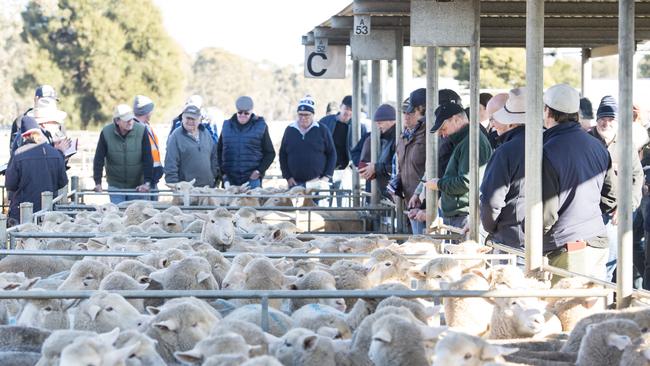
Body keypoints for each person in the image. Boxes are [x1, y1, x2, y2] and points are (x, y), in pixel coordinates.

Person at [541, 84, 616, 281]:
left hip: (568, 247)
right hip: (597, 242)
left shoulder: (546, 150)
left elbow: (546, 213)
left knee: (564, 309)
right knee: (594, 308)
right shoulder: (598, 146)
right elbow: (611, 197)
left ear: (548, 111)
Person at [588, 95, 644, 282]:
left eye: (611, 119)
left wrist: (628, 206)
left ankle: (603, 303)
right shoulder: (585, 141)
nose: (606, 122)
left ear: (618, 121)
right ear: (596, 120)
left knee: (609, 265)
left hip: (614, 215)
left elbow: (637, 177)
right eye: (602, 118)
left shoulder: (627, 145)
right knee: (588, 265)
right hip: (588, 215)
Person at [425, 102, 493, 230]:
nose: (441, 134)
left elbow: (466, 182)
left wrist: (439, 184)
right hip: (461, 214)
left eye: (443, 128)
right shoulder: (465, 141)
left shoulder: (471, 142)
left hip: (464, 215)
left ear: (456, 120)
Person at [480, 87, 527, 250]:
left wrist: (491, 228)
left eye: (495, 118)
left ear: (511, 121)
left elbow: (491, 200)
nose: (492, 124)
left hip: (511, 238)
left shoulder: (506, 151)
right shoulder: (549, 142)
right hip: (543, 239)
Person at [5, 117, 67, 225]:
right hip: (47, 213)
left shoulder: (18, 154)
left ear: (24, 136)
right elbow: (62, 182)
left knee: (21, 241)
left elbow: (10, 185)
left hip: (22, 213)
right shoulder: (56, 154)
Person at [93, 104, 153, 204]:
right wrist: (98, 182)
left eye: (132, 119)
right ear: (117, 121)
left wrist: (147, 183)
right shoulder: (106, 133)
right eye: (126, 120)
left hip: (138, 186)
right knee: (118, 215)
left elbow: (148, 158)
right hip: (115, 185)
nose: (130, 122)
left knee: (137, 216)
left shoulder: (141, 131)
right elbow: (99, 159)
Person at [217, 96, 275, 188]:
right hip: (230, 180)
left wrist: (259, 171)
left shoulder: (261, 127)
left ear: (251, 112)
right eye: (239, 112)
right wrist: (223, 173)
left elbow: (270, 153)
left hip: (252, 180)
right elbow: (219, 151)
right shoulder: (226, 126)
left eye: (246, 113)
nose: (242, 115)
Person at [319, 95, 367, 206]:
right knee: (324, 205)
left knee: (345, 206)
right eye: (346, 108)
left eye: (351, 110)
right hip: (326, 171)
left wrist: (355, 166)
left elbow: (363, 150)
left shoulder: (359, 127)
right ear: (341, 107)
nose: (348, 112)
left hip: (346, 171)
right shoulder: (325, 122)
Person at [279, 95, 336, 187]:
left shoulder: (322, 130)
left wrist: (326, 176)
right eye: (300, 114)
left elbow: (332, 153)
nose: (303, 117)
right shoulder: (290, 130)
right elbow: (282, 154)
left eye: (306, 114)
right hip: (295, 183)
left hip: (317, 182)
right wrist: (288, 176)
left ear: (313, 115)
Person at [165, 104, 220, 188]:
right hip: (186, 190)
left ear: (199, 120)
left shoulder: (206, 133)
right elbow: (170, 162)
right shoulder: (175, 136)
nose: (190, 121)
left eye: (193, 119)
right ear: (182, 118)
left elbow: (213, 157)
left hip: (207, 188)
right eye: (188, 118)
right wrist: (174, 185)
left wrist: (213, 175)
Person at [396, 91, 427, 234]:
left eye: (410, 113)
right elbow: (401, 165)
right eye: (404, 113)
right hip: (410, 199)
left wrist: (421, 195)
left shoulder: (428, 134)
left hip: (424, 200)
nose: (406, 117)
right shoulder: (404, 135)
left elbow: (434, 168)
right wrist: (396, 183)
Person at [358, 104, 397, 199]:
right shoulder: (381, 137)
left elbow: (398, 167)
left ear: (391, 121)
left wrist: (375, 168)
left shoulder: (397, 138)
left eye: (380, 123)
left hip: (393, 192)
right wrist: (368, 169)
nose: (378, 126)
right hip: (386, 191)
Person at [10, 85, 58, 150]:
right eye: (46, 101)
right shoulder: (20, 120)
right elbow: (13, 148)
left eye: (53, 100)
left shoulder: (58, 121)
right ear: (36, 99)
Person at [133, 95, 163, 199]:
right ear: (146, 112)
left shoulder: (147, 126)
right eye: (151, 110)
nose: (152, 112)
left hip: (152, 178)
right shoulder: (135, 129)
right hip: (143, 180)